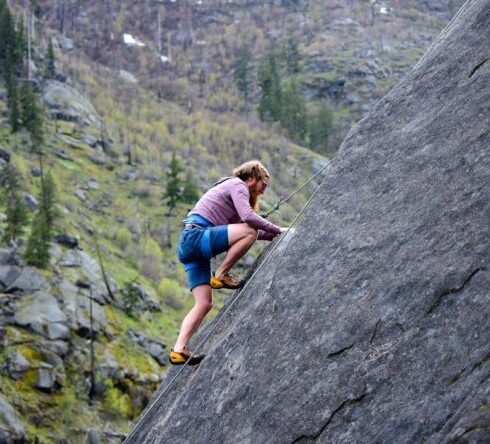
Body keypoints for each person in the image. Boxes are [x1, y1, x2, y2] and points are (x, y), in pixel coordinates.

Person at [169, 160, 286, 365]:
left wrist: (275, 233)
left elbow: (242, 230)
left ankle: (179, 349)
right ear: (251, 178)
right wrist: (277, 229)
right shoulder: (237, 185)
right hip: (197, 237)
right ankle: (221, 274)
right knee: (249, 229)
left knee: (204, 303)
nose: (264, 192)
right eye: (263, 186)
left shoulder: (229, 194)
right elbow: (248, 220)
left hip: (190, 246)